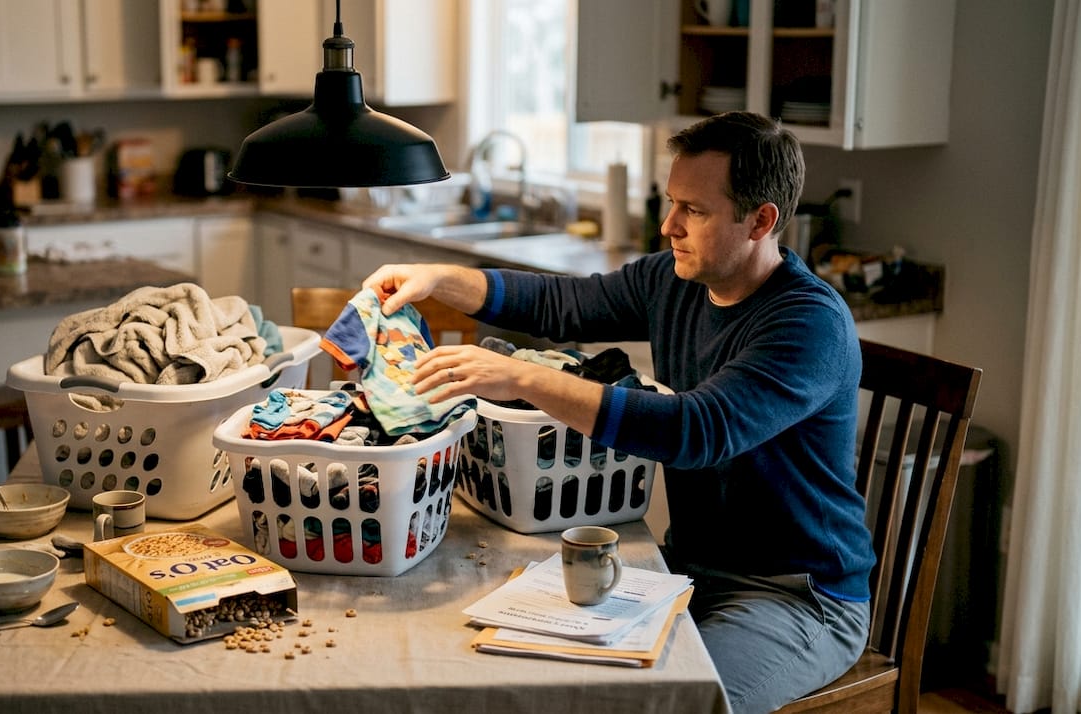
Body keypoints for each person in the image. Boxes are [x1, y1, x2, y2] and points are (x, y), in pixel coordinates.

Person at [362, 111, 874, 714]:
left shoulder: (807, 324)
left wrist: (523, 375)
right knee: (530, 674)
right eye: (670, 202)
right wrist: (439, 279)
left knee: (668, 705)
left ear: (761, 220)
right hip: (685, 567)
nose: (669, 226)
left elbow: (696, 431)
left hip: (795, 596)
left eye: (695, 211)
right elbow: (563, 303)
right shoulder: (675, 280)